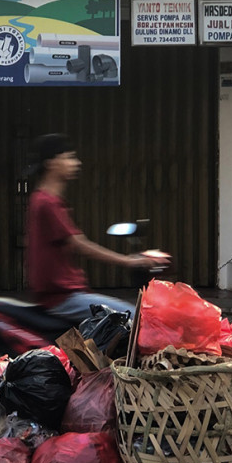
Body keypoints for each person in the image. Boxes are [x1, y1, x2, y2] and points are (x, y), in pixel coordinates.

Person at [25, 133, 169, 323]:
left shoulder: (45, 200)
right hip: (62, 299)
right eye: (69, 157)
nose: (76, 163)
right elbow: (79, 244)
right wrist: (129, 261)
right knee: (136, 319)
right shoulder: (47, 203)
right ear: (51, 163)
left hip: (67, 295)